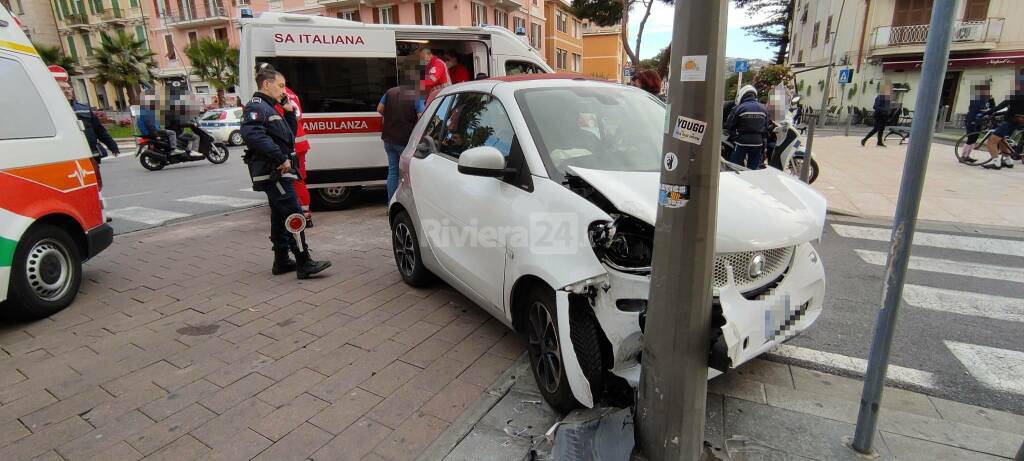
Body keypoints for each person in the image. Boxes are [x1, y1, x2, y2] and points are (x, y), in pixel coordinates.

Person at [241, 69, 331, 279]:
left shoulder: (271, 108)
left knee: (279, 215)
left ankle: (281, 260)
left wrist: (289, 112)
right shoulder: (257, 106)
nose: (284, 91)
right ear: (266, 84)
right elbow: (252, 134)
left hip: (278, 170)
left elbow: (287, 138)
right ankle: (304, 262)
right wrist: (280, 159)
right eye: (280, 86)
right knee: (293, 213)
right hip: (273, 172)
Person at [50, 65, 120, 162]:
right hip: (70, 156)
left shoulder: (84, 109)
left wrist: (112, 146)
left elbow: (99, 130)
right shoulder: (51, 109)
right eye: (62, 89)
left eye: (69, 88)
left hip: (91, 154)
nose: (67, 91)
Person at [377, 77, 425, 202]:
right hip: (405, 139)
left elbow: (379, 109)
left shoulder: (390, 92)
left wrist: (390, 117)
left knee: (392, 172)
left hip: (388, 138)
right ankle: (407, 204)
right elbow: (422, 116)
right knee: (407, 173)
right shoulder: (415, 95)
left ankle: (391, 203)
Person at [981, 75, 1024, 170]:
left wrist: (986, 113)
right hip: (1016, 121)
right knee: (1001, 140)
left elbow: (1001, 106)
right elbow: (1011, 109)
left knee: (991, 141)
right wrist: (996, 114)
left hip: (1010, 121)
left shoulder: (1016, 94)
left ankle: (996, 163)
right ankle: (1008, 161)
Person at [724, 85, 768, 169]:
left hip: (742, 142)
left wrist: (734, 137)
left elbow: (729, 126)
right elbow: (765, 128)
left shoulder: (739, 108)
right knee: (753, 169)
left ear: (742, 95)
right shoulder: (763, 108)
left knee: (734, 167)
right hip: (758, 143)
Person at [960, 83, 995, 162]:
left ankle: (967, 156)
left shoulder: (988, 99)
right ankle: (962, 156)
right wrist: (987, 111)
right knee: (970, 138)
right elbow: (977, 108)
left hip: (979, 121)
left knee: (974, 139)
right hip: (972, 119)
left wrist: (992, 99)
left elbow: (993, 108)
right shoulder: (976, 99)